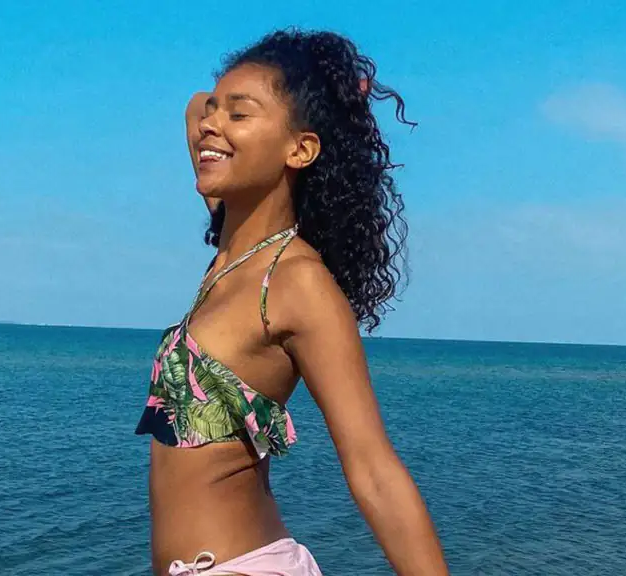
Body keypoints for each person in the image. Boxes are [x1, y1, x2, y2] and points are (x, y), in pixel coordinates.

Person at [136, 28, 449, 575]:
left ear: (300, 149)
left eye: (239, 114)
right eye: (215, 111)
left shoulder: (296, 283)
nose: (210, 124)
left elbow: (373, 469)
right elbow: (195, 108)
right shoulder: (233, 245)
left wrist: (322, 99)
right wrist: (326, 87)